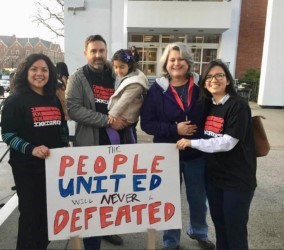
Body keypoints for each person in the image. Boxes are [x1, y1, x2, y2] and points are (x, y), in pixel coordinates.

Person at [140, 42, 215, 250]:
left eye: (180, 59)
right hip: (167, 155)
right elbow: (146, 123)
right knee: (168, 199)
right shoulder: (157, 89)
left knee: (198, 198)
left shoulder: (202, 86)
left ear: (188, 61)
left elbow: (214, 112)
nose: (176, 63)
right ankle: (170, 241)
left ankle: (199, 232)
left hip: (196, 153)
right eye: (172, 59)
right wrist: (175, 129)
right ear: (165, 63)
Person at [176, 59, 257, 250]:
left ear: (228, 80)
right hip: (214, 178)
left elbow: (227, 142)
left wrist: (192, 143)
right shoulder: (209, 104)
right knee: (220, 228)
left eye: (219, 75)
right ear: (204, 83)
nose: (214, 80)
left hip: (237, 180)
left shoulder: (238, 105)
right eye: (209, 77)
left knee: (235, 231)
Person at [0, 53, 69, 249]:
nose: (40, 74)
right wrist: (31, 149)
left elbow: (61, 127)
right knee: (30, 215)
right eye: (34, 69)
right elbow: (8, 135)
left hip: (53, 166)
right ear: (26, 72)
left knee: (48, 214)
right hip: (27, 168)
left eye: (44, 70)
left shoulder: (53, 99)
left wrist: (65, 146)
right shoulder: (15, 101)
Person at [65, 34, 127, 250]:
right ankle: (92, 242)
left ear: (106, 51)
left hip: (116, 143)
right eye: (94, 51)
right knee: (93, 196)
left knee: (112, 191)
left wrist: (128, 118)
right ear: (86, 53)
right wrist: (107, 121)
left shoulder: (117, 73)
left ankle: (107, 229)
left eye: (102, 50)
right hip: (91, 145)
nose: (98, 55)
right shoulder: (78, 78)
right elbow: (73, 109)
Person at [107, 49, 148, 144]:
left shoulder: (135, 83)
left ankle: (128, 149)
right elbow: (109, 64)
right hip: (123, 112)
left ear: (129, 65)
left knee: (127, 134)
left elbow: (124, 100)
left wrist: (112, 114)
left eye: (121, 67)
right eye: (115, 67)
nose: (118, 70)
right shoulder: (125, 74)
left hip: (127, 116)